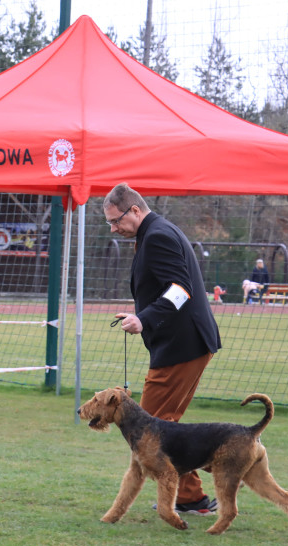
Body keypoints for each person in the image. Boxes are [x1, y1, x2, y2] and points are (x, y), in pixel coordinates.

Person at [105, 183, 221, 517]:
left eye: (116, 221)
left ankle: (216, 475)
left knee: (148, 428)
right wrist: (139, 314)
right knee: (163, 424)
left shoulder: (157, 236)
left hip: (183, 345)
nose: (114, 228)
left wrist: (145, 319)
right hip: (183, 343)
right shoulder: (156, 232)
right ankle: (191, 496)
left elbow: (181, 290)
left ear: (136, 210)